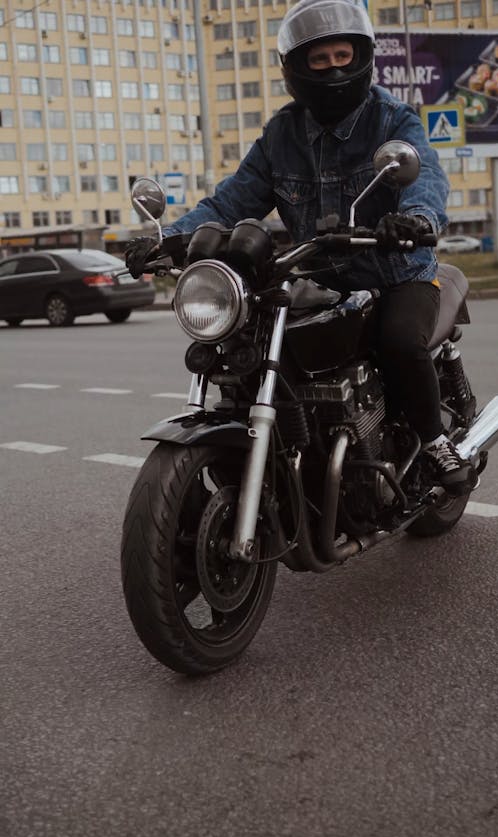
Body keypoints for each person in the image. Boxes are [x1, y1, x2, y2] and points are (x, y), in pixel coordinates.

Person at [125, 0, 476, 495]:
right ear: (297, 68)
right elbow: (231, 199)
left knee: (399, 340)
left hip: (397, 270)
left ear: (362, 56)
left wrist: (415, 219)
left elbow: (428, 179)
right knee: (254, 343)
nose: (334, 67)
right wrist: (169, 240)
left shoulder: (393, 121)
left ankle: (435, 441)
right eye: (320, 59)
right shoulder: (281, 135)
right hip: (319, 277)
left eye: (342, 55)